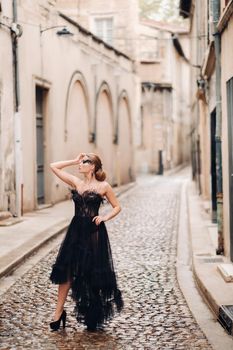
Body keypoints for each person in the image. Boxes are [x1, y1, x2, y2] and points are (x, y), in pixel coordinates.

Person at [49, 152, 123, 332]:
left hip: (93, 233)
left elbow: (117, 206)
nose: (80, 165)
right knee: (66, 271)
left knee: (91, 273)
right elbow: (53, 166)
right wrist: (73, 160)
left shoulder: (104, 186)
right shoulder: (77, 183)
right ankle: (58, 313)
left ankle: (93, 314)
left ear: (93, 167)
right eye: (80, 162)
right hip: (75, 232)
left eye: (84, 162)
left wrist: (104, 217)